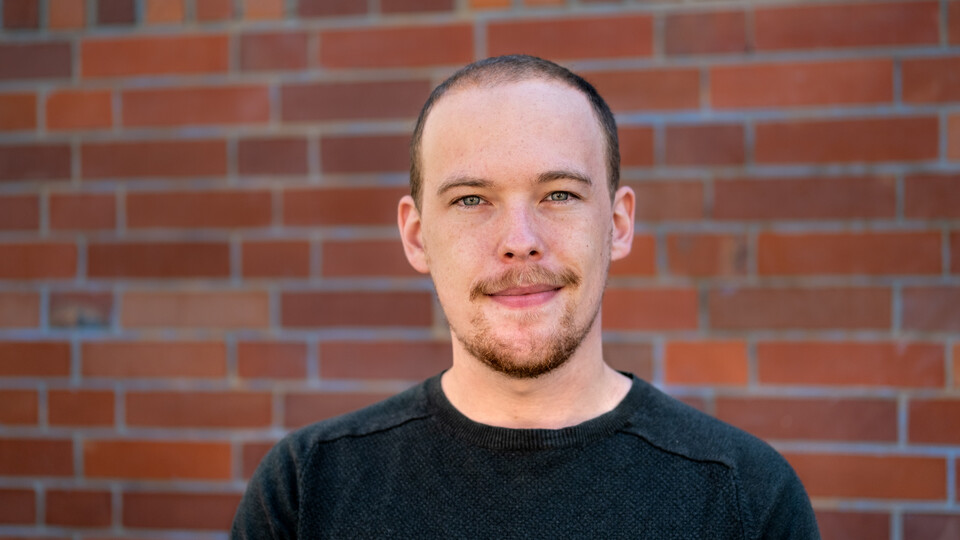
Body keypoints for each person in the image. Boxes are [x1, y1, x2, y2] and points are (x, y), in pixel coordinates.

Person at [232, 55, 820, 539]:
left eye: (559, 195)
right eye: (471, 200)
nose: (520, 243)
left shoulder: (746, 498)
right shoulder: (307, 491)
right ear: (416, 236)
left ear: (617, 224)